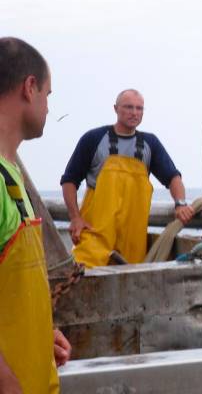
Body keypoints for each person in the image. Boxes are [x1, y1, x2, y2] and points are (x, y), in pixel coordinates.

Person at [0, 37, 71, 393]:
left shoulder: (11, 175)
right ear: (29, 88)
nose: (48, 107)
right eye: (48, 94)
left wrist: (39, 333)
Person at [60, 89, 195, 268]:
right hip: (95, 234)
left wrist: (180, 203)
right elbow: (69, 180)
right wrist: (75, 218)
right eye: (129, 107)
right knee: (81, 275)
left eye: (139, 108)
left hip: (132, 242)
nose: (134, 112)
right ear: (116, 109)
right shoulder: (93, 139)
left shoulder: (150, 143)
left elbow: (173, 178)